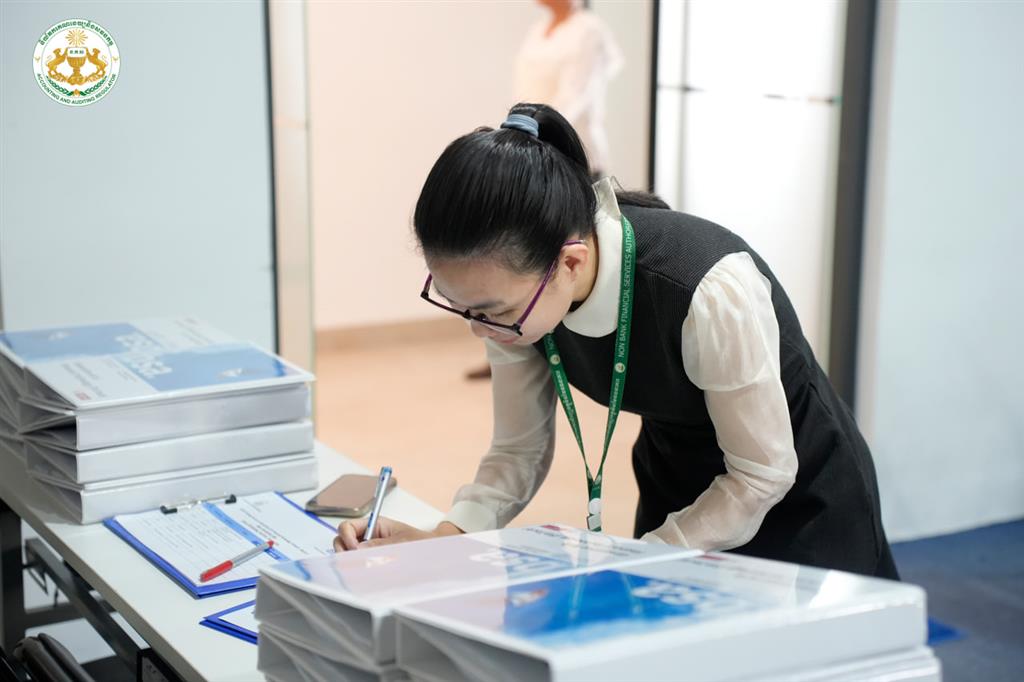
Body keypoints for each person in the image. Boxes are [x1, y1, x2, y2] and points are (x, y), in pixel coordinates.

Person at [335, 103, 899, 580]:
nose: (481, 329)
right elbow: (517, 450)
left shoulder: (706, 288)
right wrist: (444, 538)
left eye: (493, 312)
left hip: (797, 492)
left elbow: (761, 473)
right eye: (461, 307)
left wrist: (641, 560)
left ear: (570, 262)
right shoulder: (516, 301)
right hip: (678, 481)